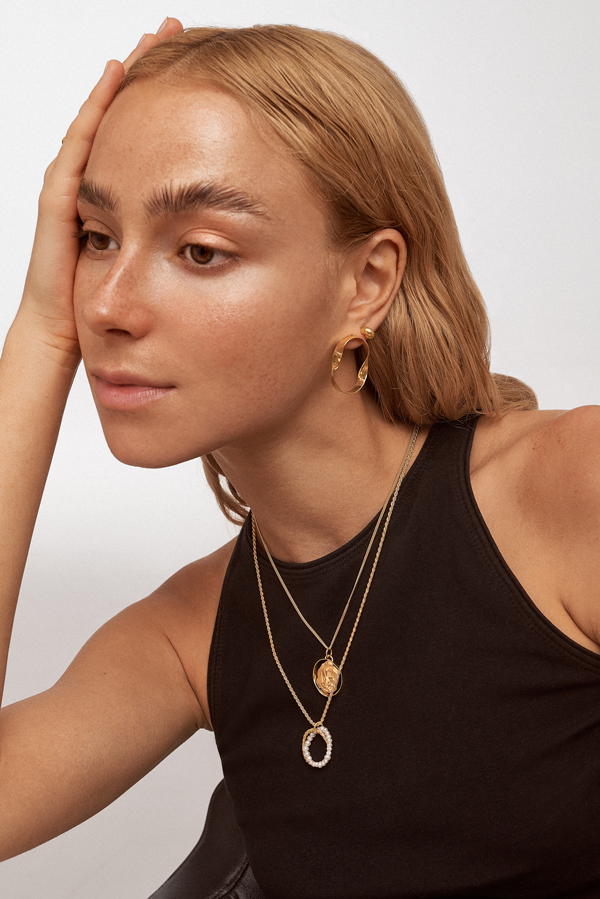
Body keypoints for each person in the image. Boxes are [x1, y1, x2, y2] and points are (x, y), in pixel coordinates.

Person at [1, 16, 599, 898]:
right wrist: (41, 336)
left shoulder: (568, 489)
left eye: (199, 250)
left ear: (367, 283)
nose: (109, 306)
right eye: (95, 239)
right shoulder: (190, 631)